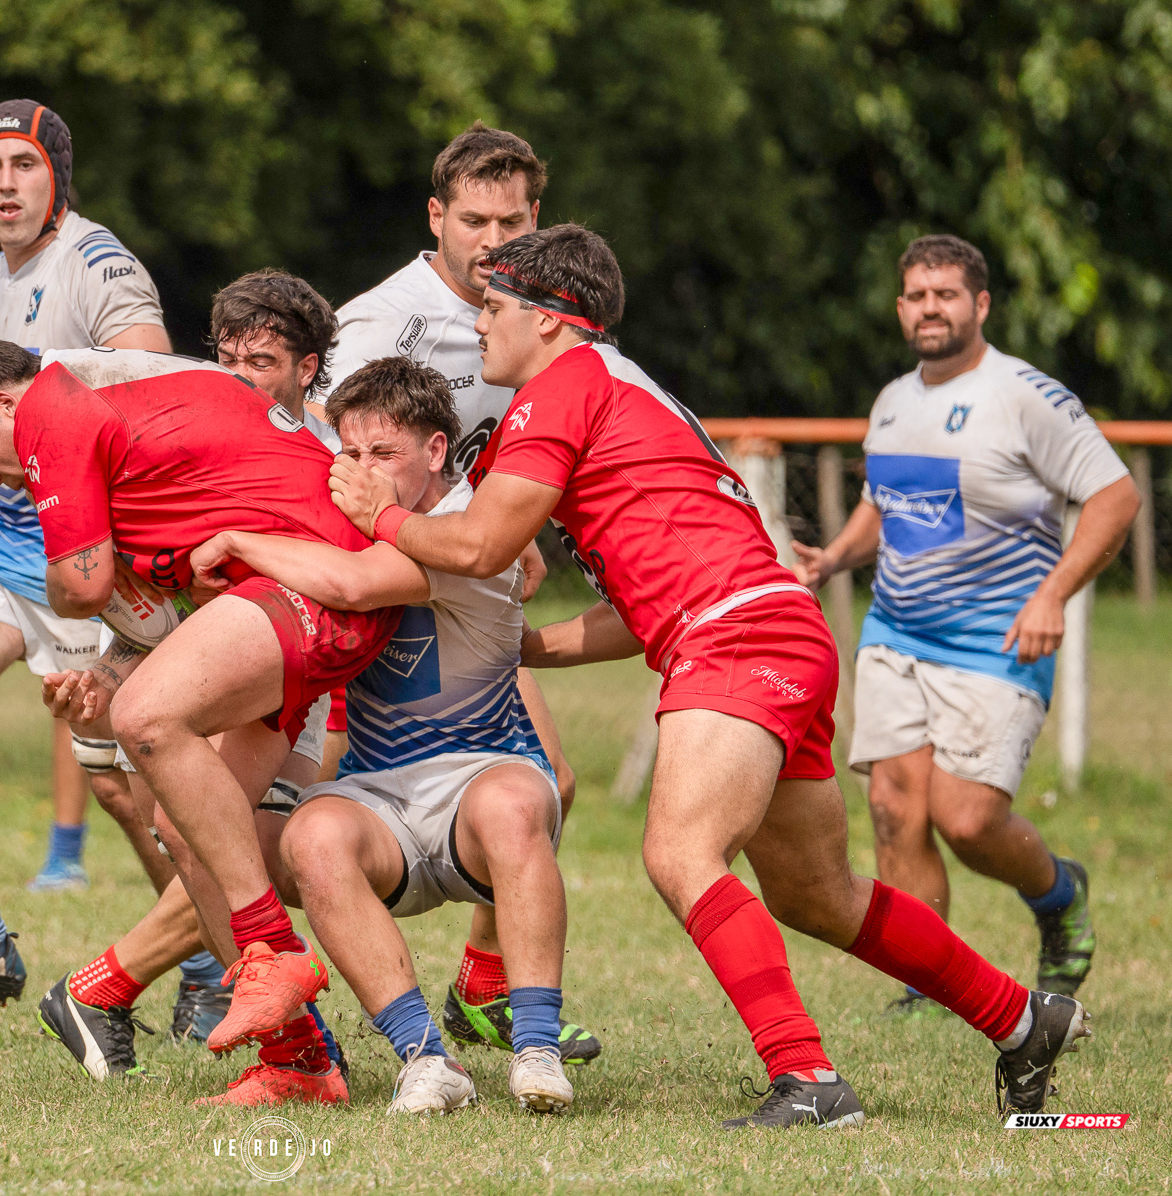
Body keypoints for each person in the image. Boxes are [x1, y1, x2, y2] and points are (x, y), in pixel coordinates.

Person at [329, 222, 1093, 1126]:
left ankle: (807, 1079)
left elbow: (483, 543)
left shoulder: (563, 384)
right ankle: (1021, 1017)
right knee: (819, 894)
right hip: (769, 627)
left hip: (736, 639)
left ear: (551, 320)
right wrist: (531, 648)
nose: (479, 326)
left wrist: (381, 515)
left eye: (493, 308)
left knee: (679, 851)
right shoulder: (615, 390)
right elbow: (638, 607)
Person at [0, 341, 402, 1106]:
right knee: (181, 826)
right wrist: (104, 661)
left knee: (144, 715)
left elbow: (81, 587)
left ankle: (272, 956)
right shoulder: (132, 435)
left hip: (313, 583)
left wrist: (75, 567)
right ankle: (300, 1061)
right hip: (294, 598)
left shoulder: (52, 407)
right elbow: (159, 610)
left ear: (7, 405)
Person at [194, 356, 593, 1115]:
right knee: (309, 836)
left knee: (511, 806)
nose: (360, 472)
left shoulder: (473, 527)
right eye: (350, 453)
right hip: (383, 794)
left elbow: (349, 585)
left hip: (486, 772)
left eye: (384, 454)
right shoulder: (347, 518)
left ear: (436, 451)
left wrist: (238, 538)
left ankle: (537, 1047)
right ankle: (424, 1059)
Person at [0, 98, 190, 1044]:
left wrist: (32, 376)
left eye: (23, 166)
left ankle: (212, 959)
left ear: (56, 176)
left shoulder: (95, 261)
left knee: (128, 788)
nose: (6, 185)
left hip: (85, 544)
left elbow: (154, 377)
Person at [792, 234, 1138, 1010]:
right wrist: (835, 558)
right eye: (916, 294)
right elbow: (888, 503)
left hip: (999, 637)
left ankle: (1060, 898)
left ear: (980, 304)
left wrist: (1053, 593)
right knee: (892, 807)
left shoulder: (1025, 396)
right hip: (899, 632)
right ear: (900, 307)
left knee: (969, 818)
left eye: (946, 294)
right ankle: (929, 982)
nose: (930, 308)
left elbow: (1116, 498)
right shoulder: (893, 400)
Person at [316, 119, 576, 1051]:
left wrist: (507, 532)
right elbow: (326, 451)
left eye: (513, 221)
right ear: (436, 217)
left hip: (456, 575)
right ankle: (147, 978)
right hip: (369, 578)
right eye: (475, 221)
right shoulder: (384, 322)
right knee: (290, 818)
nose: (495, 242)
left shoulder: (528, 311)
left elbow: (499, 452)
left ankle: (482, 983)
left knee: (554, 785)